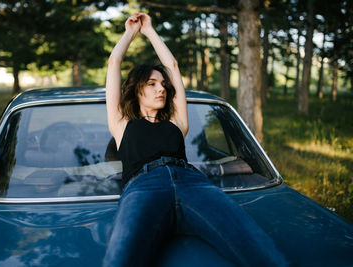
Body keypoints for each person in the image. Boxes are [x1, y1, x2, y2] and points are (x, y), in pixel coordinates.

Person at [104, 12, 287, 267]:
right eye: (152, 83)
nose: (162, 88)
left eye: (163, 85)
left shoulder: (178, 122)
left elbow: (173, 66)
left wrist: (150, 31)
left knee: (256, 245)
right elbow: (114, 64)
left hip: (193, 183)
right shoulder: (122, 124)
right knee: (122, 256)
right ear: (136, 90)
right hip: (143, 186)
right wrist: (131, 33)